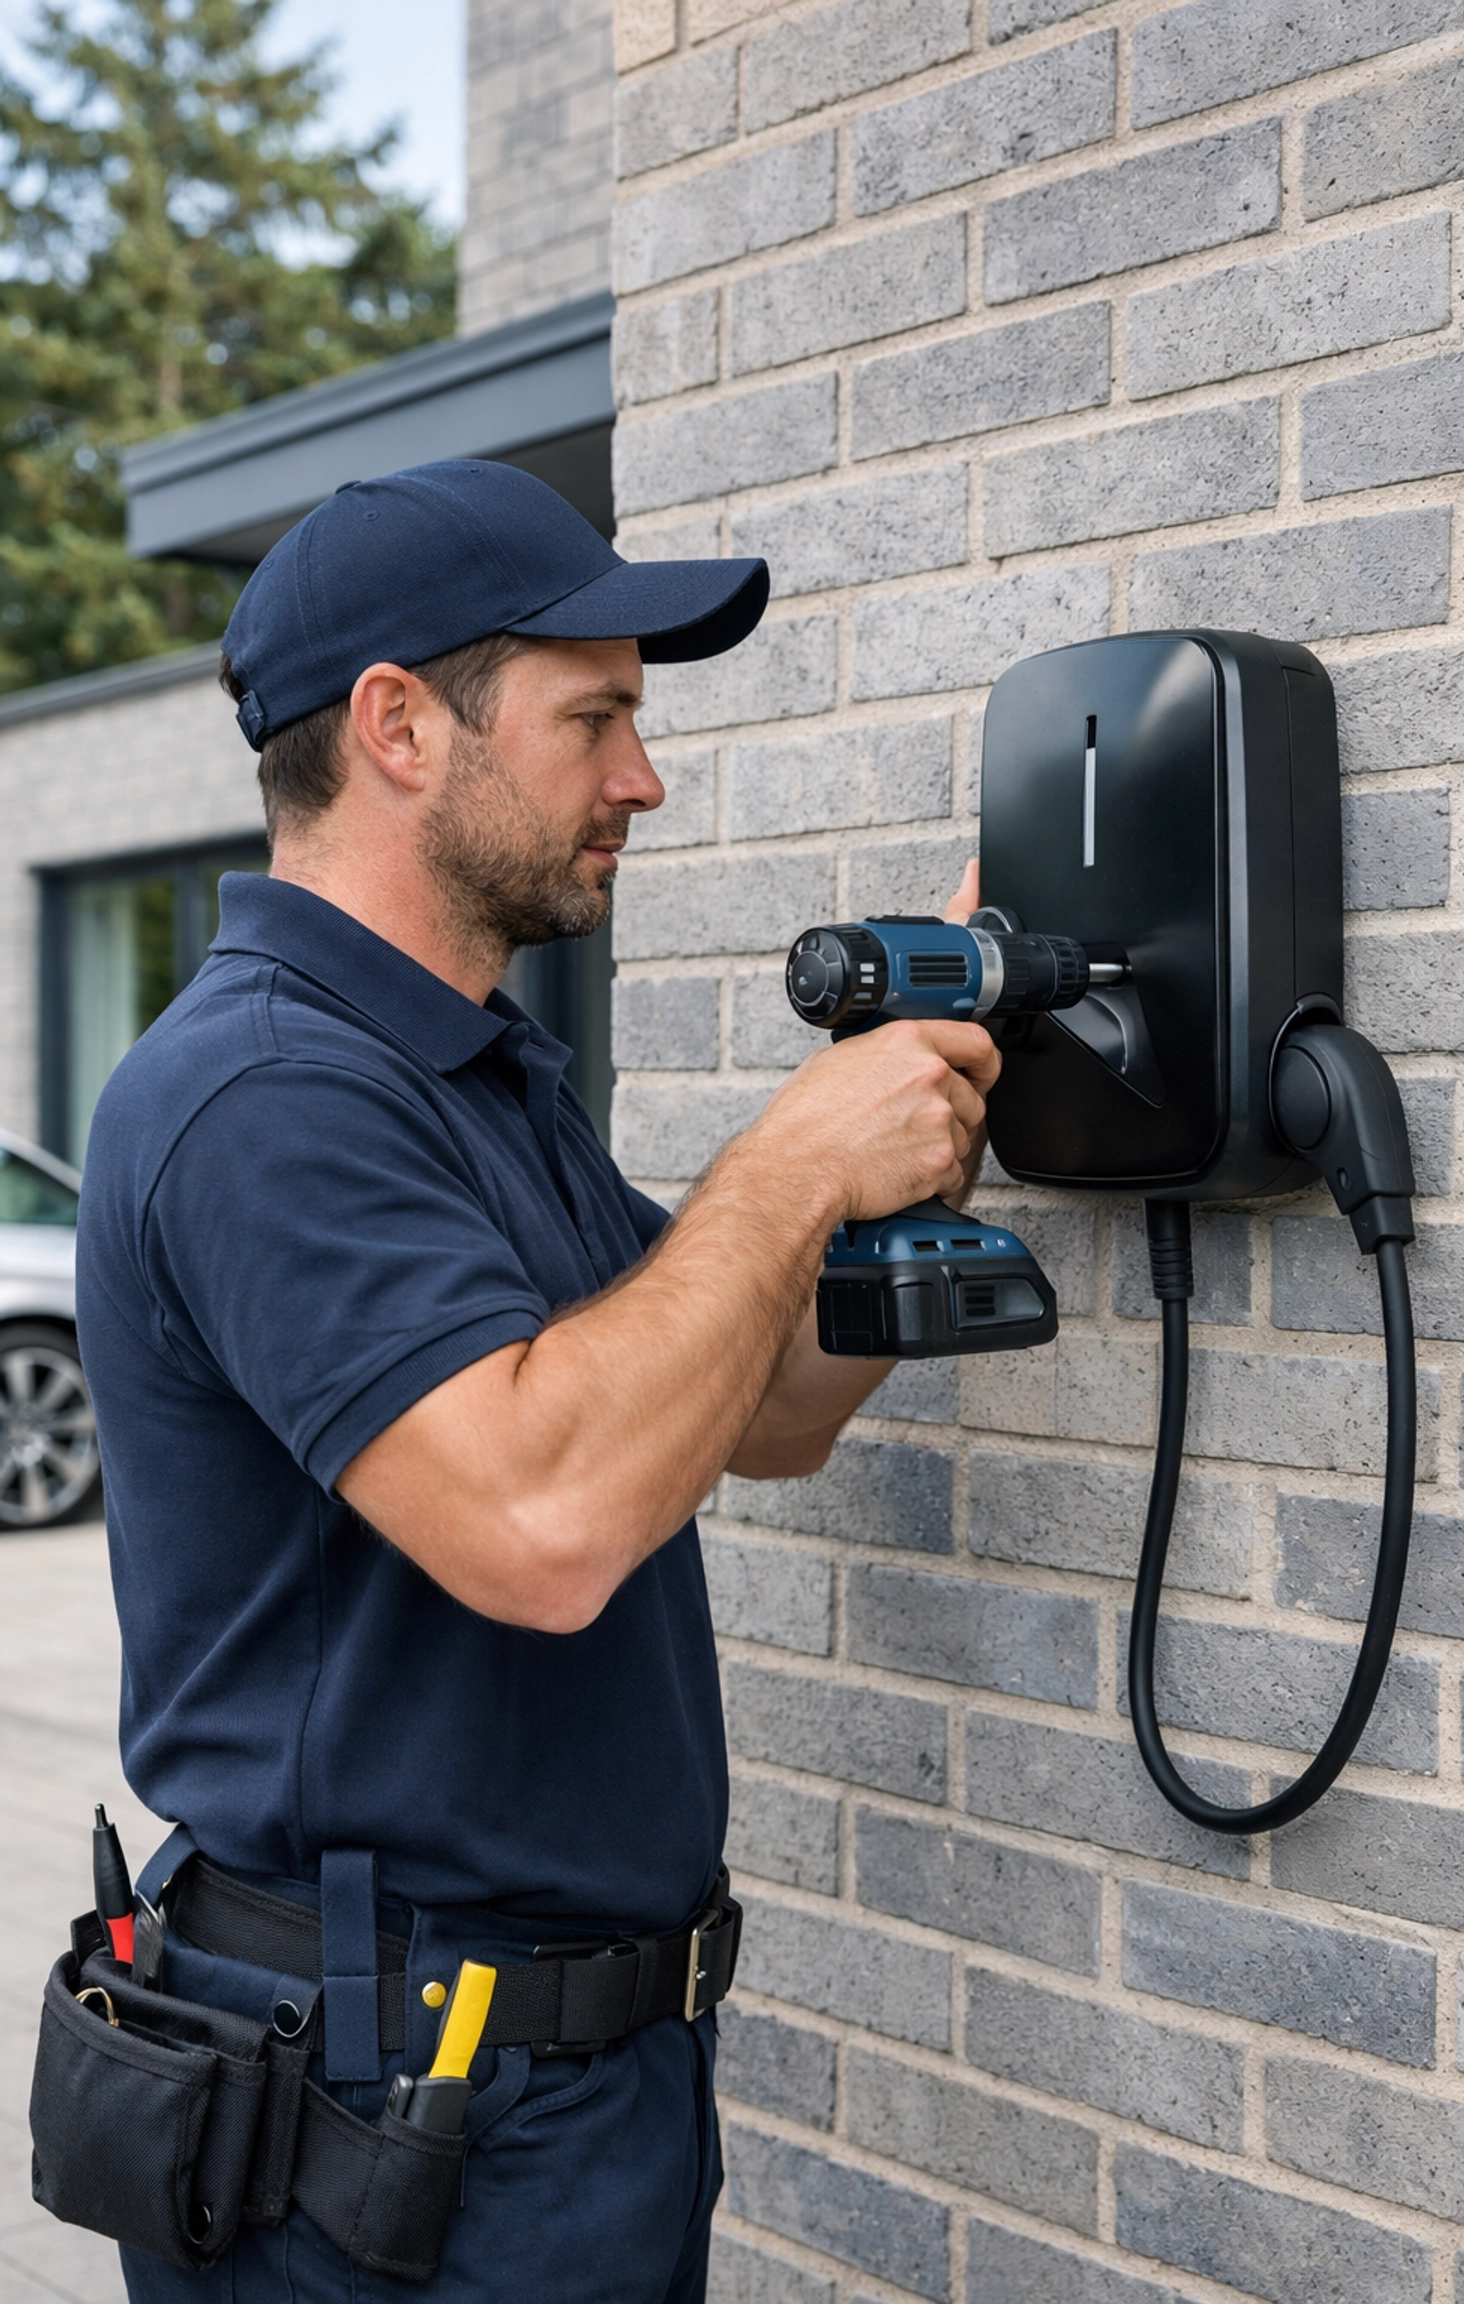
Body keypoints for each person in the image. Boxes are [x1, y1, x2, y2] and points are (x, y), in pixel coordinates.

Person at [75, 460, 998, 2304]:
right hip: (386, 2114)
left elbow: (762, 1411)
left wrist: (938, 1112)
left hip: (563, 2085)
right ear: (399, 727)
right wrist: (794, 1163)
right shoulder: (265, 1098)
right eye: (597, 718)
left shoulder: (470, 1077)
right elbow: (548, 1519)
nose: (640, 779)